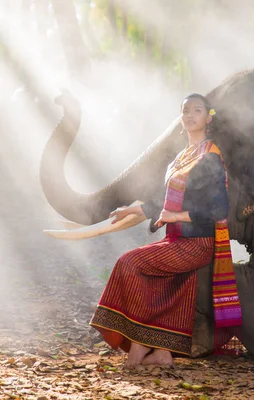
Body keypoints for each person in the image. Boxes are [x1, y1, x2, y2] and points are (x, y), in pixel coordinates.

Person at [89, 93, 242, 368]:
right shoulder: (182, 157)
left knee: (129, 263)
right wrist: (132, 210)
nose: (190, 115)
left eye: (197, 110)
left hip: (198, 243)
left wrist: (177, 215)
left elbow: (218, 209)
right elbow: (165, 200)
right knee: (150, 278)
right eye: (185, 111)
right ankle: (161, 353)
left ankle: (138, 348)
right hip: (176, 239)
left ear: (209, 117)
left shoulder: (210, 157)